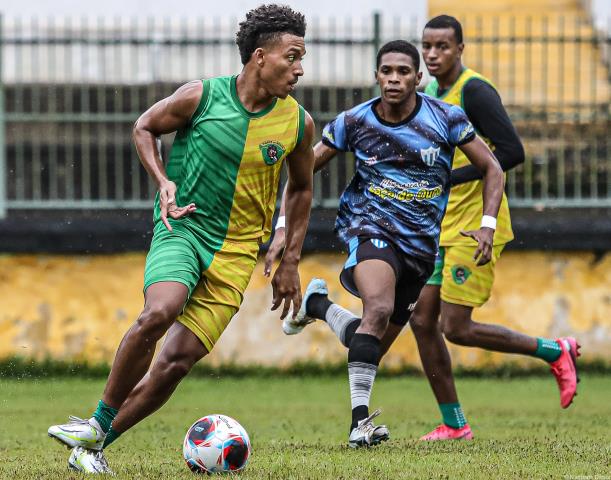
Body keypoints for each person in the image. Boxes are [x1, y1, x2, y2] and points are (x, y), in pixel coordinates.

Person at [47, 4, 314, 473]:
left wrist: (290, 255)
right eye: (291, 57)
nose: (299, 69)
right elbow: (144, 127)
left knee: (175, 364)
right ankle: (97, 422)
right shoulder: (201, 97)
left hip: (235, 255)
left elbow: (304, 187)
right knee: (159, 311)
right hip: (183, 229)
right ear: (259, 57)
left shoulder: (298, 124)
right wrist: (162, 182)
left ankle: (91, 448)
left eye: (301, 58)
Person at [266, 39, 505, 448]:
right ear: (377, 76)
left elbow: (493, 168)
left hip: (421, 248)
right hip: (370, 229)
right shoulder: (354, 121)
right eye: (386, 71)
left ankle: (318, 306)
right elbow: (302, 173)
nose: (394, 79)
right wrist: (283, 227)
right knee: (377, 308)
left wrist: (487, 224)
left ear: (418, 78)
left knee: (368, 337)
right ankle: (360, 424)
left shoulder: (446, 118)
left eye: (403, 72)